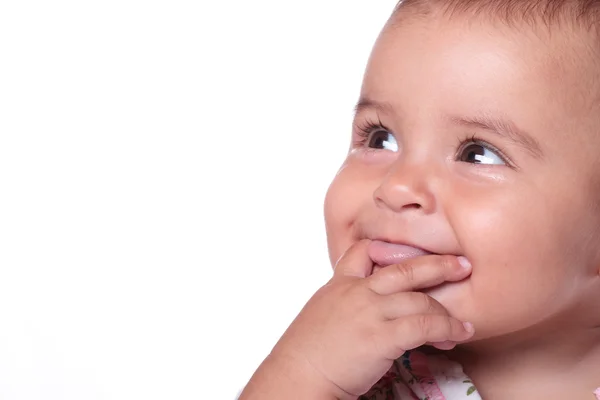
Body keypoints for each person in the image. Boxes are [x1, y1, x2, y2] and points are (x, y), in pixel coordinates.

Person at [239, 0, 600, 398]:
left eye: (477, 153)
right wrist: (302, 374)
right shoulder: (346, 372)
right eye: (380, 137)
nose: (396, 188)